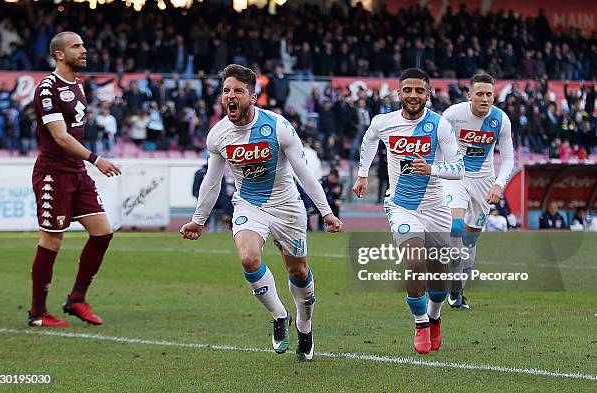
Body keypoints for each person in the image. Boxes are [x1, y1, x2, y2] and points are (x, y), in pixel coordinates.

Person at [180, 64, 342, 362]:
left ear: (252, 97)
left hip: (288, 207)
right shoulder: (218, 135)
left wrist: (326, 212)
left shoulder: (277, 126)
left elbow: (303, 173)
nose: (231, 95)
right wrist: (198, 220)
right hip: (249, 205)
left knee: (298, 270)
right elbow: (212, 180)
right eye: (226, 90)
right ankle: (279, 316)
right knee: (248, 257)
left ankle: (304, 327)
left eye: (238, 91)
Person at [353, 68, 464, 355]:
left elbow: (459, 169)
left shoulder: (440, 126)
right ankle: (420, 323)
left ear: (428, 94)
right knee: (415, 262)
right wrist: (362, 174)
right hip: (401, 206)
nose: (413, 95)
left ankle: (435, 316)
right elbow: (367, 142)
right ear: (398, 93)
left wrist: (433, 169)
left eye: (419, 90)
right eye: (408, 90)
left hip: (436, 207)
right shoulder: (383, 123)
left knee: (439, 273)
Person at [27, 32, 121, 328]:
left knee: (103, 232)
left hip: (77, 173)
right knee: (53, 238)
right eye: (76, 46)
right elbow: (59, 136)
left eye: (83, 44)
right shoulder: (47, 88)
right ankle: (37, 313)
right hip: (54, 174)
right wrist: (96, 159)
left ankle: (76, 299)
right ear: (58, 54)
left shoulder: (77, 86)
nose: (84, 50)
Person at [441, 72, 514, 309]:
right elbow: (436, 142)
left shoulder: (501, 120)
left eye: (489, 94)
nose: (485, 98)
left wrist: (498, 184)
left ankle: (457, 289)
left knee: (470, 242)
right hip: (457, 176)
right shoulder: (453, 114)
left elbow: (509, 158)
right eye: (480, 94)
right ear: (469, 95)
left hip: (484, 180)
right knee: (456, 227)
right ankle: (449, 281)